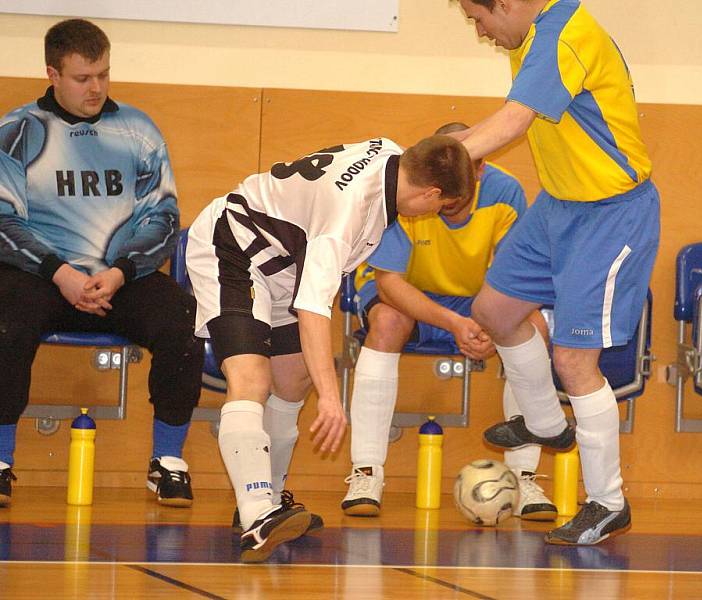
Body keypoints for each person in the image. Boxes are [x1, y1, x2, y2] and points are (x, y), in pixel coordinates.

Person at [185, 135, 475, 562]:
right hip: (233, 248)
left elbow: (457, 146)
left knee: (294, 378)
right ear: (431, 192)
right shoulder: (348, 214)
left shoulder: (396, 154)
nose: (434, 213)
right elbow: (314, 310)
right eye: (440, 205)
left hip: (283, 262)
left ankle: (268, 494)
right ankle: (256, 516)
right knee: (251, 378)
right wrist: (332, 399)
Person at [451, 0, 660, 545]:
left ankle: (608, 502)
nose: (481, 31)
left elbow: (513, 121)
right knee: (494, 310)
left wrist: (428, 166)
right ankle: (544, 422)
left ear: (510, 3)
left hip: (611, 214)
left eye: (480, 18)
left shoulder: (563, 34)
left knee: (573, 359)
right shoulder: (532, 34)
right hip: (559, 206)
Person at [0, 19, 204, 509]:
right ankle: (1, 461)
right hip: (41, 275)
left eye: (104, 75)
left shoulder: (138, 130)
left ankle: (167, 463)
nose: (96, 88)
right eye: (82, 78)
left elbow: (163, 216)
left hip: (119, 278)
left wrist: (118, 272)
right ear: (52, 73)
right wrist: (62, 274)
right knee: (6, 324)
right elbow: (4, 222)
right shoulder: (18, 131)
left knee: (182, 318)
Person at [342, 122, 557, 522]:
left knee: (534, 329)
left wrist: (491, 323)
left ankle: (524, 476)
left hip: (473, 294)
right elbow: (389, 283)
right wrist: (456, 324)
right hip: (402, 288)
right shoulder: (406, 188)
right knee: (387, 323)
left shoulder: (506, 192)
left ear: (479, 169)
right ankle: (366, 472)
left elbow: (515, 278)